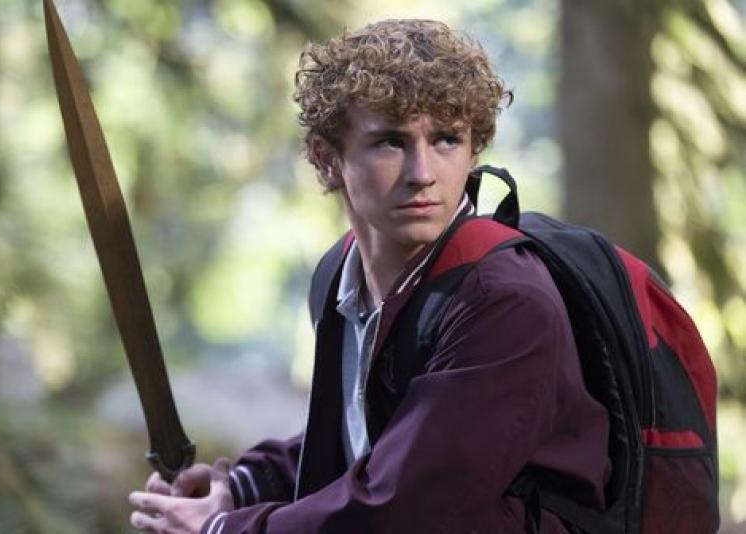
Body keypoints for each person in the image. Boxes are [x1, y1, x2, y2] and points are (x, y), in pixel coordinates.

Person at [128, 18, 610, 533]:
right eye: (391, 142)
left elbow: (406, 507)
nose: (422, 173)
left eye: (447, 139)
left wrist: (224, 529)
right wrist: (242, 486)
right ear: (327, 158)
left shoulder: (504, 302)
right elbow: (366, 443)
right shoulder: (339, 276)